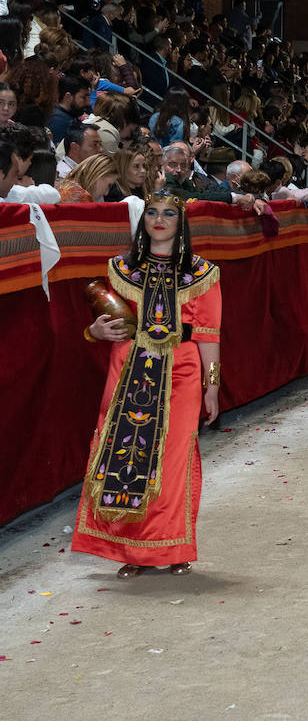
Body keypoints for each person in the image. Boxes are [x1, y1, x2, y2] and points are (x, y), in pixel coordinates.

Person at [70, 191, 222, 579]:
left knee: (172, 461)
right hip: (128, 369)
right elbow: (108, 323)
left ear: (180, 221)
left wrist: (212, 386)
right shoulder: (120, 268)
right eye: (152, 212)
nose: (159, 219)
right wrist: (93, 332)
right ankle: (131, 552)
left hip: (182, 372)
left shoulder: (203, 273)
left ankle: (173, 547)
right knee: (125, 457)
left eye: (169, 213)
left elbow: (208, 335)